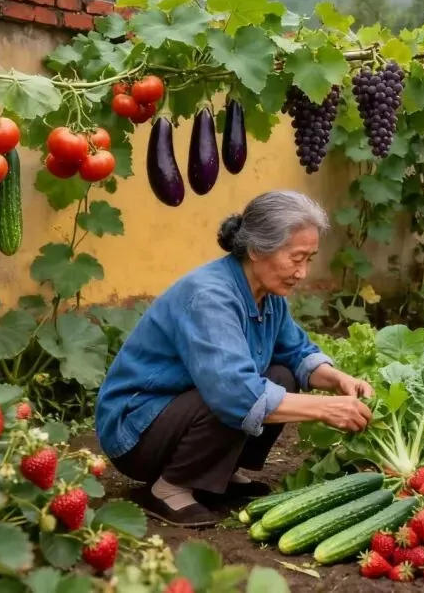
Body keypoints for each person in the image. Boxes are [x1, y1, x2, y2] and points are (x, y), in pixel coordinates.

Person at [94, 190, 374, 528]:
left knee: (282, 376)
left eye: (309, 259)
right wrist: (325, 408)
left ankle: (216, 476)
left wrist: (338, 380)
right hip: (137, 430)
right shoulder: (210, 296)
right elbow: (234, 394)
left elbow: (297, 352)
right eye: (296, 258)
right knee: (236, 394)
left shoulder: (268, 296)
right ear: (257, 250)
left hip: (179, 412)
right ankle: (168, 488)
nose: (302, 272)